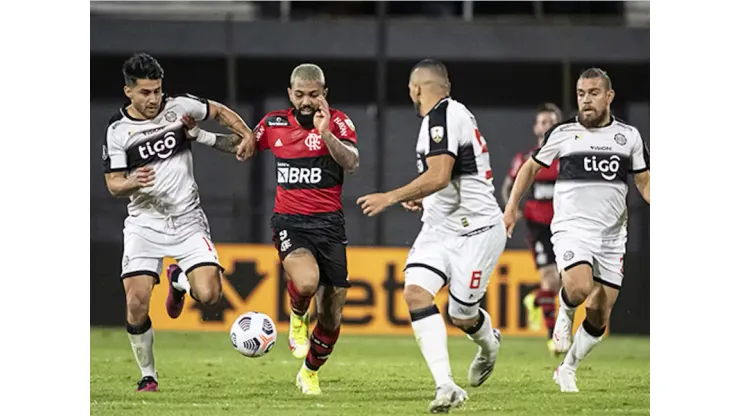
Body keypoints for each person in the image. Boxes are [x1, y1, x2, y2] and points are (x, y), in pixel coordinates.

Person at [357, 59, 505, 413]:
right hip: (439, 228)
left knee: (462, 315)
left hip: (478, 230)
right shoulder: (440, 119)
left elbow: (439, 174)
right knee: (415, 293)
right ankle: (446, 385)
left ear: (416, 89)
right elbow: (449, 177)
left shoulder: (443, 116)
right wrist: (423, 196)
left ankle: (489, 345)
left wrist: (392, 196)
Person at [102, 53, 256, 392]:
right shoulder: (118, 131)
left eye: (157, 90)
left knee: (211, 295)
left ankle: (178, 282)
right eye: (145, 92)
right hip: (144, 222)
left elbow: (218, 111)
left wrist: (246, 134)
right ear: (128, 91)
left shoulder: (180, 107)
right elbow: (113, 183)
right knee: (136, 302)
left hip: (187, 220)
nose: (153, 99)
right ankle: (148, 375)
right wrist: (132, 182)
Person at [202, 63, 360, 394]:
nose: (306, 101)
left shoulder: (340, 122)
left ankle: (309, 373)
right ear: (290, 94)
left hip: (330, 225)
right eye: (300, 94)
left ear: (324, 95)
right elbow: (240, 145)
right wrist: (198, 135)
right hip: (290, 222)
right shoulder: (274, 123)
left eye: (313, 95)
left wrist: (326, 133)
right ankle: (298, 317)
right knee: (306, 281)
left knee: (332, 314)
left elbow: (352, 162)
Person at [503, 68, 650, 393]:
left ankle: (567, 368)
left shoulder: (629, 137)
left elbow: (643, 180)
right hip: (571, 228)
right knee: (579, 286)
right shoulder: (563, 132)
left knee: (599, 314)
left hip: (612, 237)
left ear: (608, 96)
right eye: (581, 93)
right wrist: (512, 206)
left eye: (594, 93)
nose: (586, 100)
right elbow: (530, 167)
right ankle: (564, 318)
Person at [501, 103, 563, 354]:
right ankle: (553, 337)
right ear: (536, 128)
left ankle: (536, 299)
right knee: (550, 279)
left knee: (565, 284)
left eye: (551, 122)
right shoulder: (525, 159)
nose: (547, 126)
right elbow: (508, 185)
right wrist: (512, 207)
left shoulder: (569, 158)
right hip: (538, 226)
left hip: (567, 226)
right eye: (543, 122)